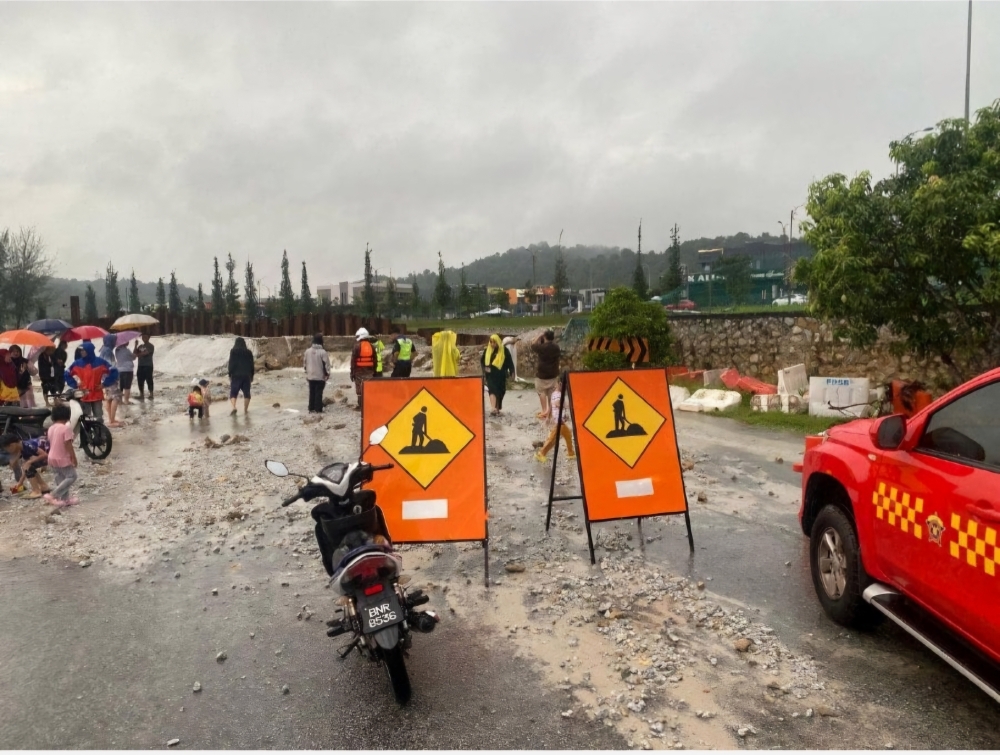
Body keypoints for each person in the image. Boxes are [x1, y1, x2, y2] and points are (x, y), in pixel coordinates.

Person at [65, 341, 119, 421]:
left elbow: (114, 371)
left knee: (99, 417)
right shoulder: (77, 363)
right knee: (85, 418)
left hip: (97, 393)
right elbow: (66, 373)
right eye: (81, 351)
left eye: (84, 350)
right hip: (83, 394)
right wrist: (75, 385)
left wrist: (105, 384)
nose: (82, 352)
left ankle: (100, 432)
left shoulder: (100, 362)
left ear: (89, 351)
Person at [43, 403, 78, 507]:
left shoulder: (51, 428)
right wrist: (73, 457)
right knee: (72, 476)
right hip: (62, 457)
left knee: (60, 477)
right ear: (67, 416)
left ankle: (65, 499)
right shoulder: (65, 428)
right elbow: (68, 444)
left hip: (51, 457)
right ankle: (53, 495)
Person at [535, 377, 575, 463]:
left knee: (568, 435)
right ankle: (541, 453)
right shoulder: (559, 395)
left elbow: (550, 406)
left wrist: (548, 416)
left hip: (560, 420)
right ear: (560, 384)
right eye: (565, 385)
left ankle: (571, 453)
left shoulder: (554, 394)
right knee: (552, 440)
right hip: (559, 421)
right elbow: (557, 404)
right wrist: (567, 405)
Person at [2, 433, 51, 499]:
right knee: (27, 465)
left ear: (12, 445)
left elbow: (44, 454)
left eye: (7, 449)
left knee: (27, 465)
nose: (7, 451)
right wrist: (20, 483)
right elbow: (26, 468)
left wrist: (30, 461)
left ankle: (36, 491)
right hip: (45, 457)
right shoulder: (22, 448)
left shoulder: (27, 445)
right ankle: (43, 486)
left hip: (50, 456)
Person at [531, 330, 561, 420]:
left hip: (542, 374)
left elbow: (533, 345)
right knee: (551, 393)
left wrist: (539, 336)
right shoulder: (556, 347)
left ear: (545, 337)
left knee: (541, 392)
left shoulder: (542, 348)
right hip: (553, 374)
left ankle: (544, 410)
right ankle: (550, 413)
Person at [481, 334, 514, 416]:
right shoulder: (487, 350)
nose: (492, 344)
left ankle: (497, 408)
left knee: (500, 391)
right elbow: (482, 361)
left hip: (501, 375)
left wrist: (512, 372)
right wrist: (484, 369)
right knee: (492, 390)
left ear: (498, 342)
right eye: (491, 342)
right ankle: (493, 408)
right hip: (490, 375)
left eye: (494, 342)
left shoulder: (504, 350)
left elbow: (510, 362)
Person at [349, 328, 377, 411]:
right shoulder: (372, 346)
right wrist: (375, 371)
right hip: (369, 371)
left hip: (359, 371)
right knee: (368, 388)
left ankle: (361, 406)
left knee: (359, 389)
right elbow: (375, 360)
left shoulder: (356, 346)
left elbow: (353, 361)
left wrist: (352, 373)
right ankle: (369, 405)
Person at [99, 335, 124, 428]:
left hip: (104, 377)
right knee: (115, 398)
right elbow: (110, 366)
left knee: (109, 398)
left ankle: (111, 419)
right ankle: (112, 420)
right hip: (110, 377)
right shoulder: (108, 351)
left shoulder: (102, 350)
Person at [304, 333, 332, 414]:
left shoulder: (307, 351)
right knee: (318, 393)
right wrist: (327, 374)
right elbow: (327, 365)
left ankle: (311, 408)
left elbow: (305, 364)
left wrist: (307, 372)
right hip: (320, 376)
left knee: (311, 392)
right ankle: (318, 409)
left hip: (310, 376)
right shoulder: (323, 352)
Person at [227, 337, 255, 415]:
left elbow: (231, 364)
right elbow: (251, 365)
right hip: (246, 375)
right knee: (247, 393)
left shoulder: (233, 352)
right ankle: (245, 410)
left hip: (236, 375)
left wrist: (230, 374)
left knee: (233, 392)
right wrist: (252, 375)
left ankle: (233, 407)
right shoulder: (249, 352)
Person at [133, 334, 155, 401]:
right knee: (140, 379)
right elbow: (134, 353)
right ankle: (141, 394)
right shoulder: (140, 346)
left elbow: (146, 353)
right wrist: (136, 345)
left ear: (149, 337)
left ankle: (151, 393)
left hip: (148, 365)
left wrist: (138, 355)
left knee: (149, 379)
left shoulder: (151, 346)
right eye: (143, 337)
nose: (144, 338)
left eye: (145, 336)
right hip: (140, 365)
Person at [115, 340, 135, 405]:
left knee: (120, 386)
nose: (128, 342)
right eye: (127, 341)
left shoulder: (117, 350)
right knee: (127, 386)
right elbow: (133, 357)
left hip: (119, 369)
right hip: (128, 369)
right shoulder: (127, 350)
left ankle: (120, 401)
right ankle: (126, 400)